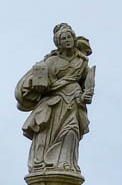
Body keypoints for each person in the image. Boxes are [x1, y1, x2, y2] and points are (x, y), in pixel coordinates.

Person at [15, 23, 94, 173]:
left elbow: (87, 83)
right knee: (46, 135)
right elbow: (43, 82)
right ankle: (43, 164)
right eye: (63, 38)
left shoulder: (81, 62)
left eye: (69, 37)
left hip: (74, 103)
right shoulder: (51, 62)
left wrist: (86, 93)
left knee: (71, 132)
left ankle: (67, 165)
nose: (67, 40)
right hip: (55, 104)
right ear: (59, 43)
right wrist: (37, 85)